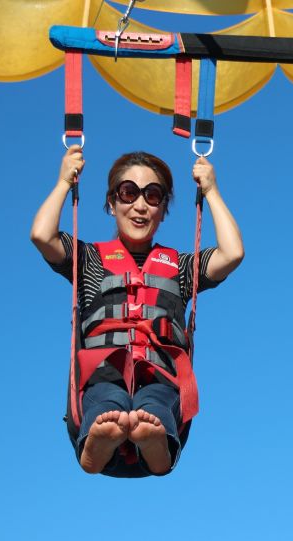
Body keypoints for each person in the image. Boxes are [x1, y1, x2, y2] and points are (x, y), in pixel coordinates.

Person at [31, 146, 244, 477]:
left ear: (163, 210)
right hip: (103, 370)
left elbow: (232, 253)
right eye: (128, 193)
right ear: (112, 204)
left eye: (153, 196)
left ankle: (158, 447)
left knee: (157, 402)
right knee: (106, 398)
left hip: (159, 374)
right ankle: (94, 446)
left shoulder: (181, 267)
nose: (140, 205)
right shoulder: (88, 260)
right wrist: (63, 182)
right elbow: (42, 235)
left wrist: (211, 192)